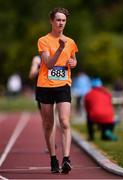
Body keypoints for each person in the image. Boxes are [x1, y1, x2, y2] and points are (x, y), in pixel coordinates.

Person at [36, 7, 78, 174]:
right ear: (52, 21)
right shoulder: (43, 40)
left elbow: (73, 60)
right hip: (45, 85)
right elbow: (49, 64)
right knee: (48, 124)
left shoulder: (71, 41)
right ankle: (53, 159)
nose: (61, 23)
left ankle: (66, 159)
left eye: (63, 20)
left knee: (65, 121)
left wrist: (74, 63)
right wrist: (60, 48)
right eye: (58, 20)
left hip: (63, 85)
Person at [28, 55, 57, 153]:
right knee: (46, 121)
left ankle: (52, 144)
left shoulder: (57, 55)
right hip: (41, 91)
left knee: (52, 119)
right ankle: (49, 143)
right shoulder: (37, 59)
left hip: (54, 89)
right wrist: (42, 67)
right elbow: (31, 75)